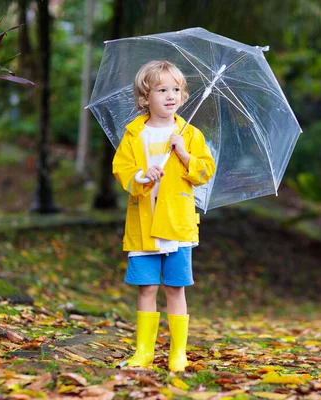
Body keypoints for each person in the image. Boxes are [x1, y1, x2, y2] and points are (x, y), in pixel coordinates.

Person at [112, 60, 216, 372]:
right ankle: (143, 351)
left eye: (175, 89)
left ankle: (177, 353)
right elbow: (122, 169)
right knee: (146, 288)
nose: (170, 95)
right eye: (161, 90)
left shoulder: (189, 134)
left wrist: (183, 153)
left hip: (176, 225)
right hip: (144, 225)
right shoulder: (134, 134)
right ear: (145, 98)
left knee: (175, 287)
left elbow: (204, 171)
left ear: (182, 96)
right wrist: (143, 176)